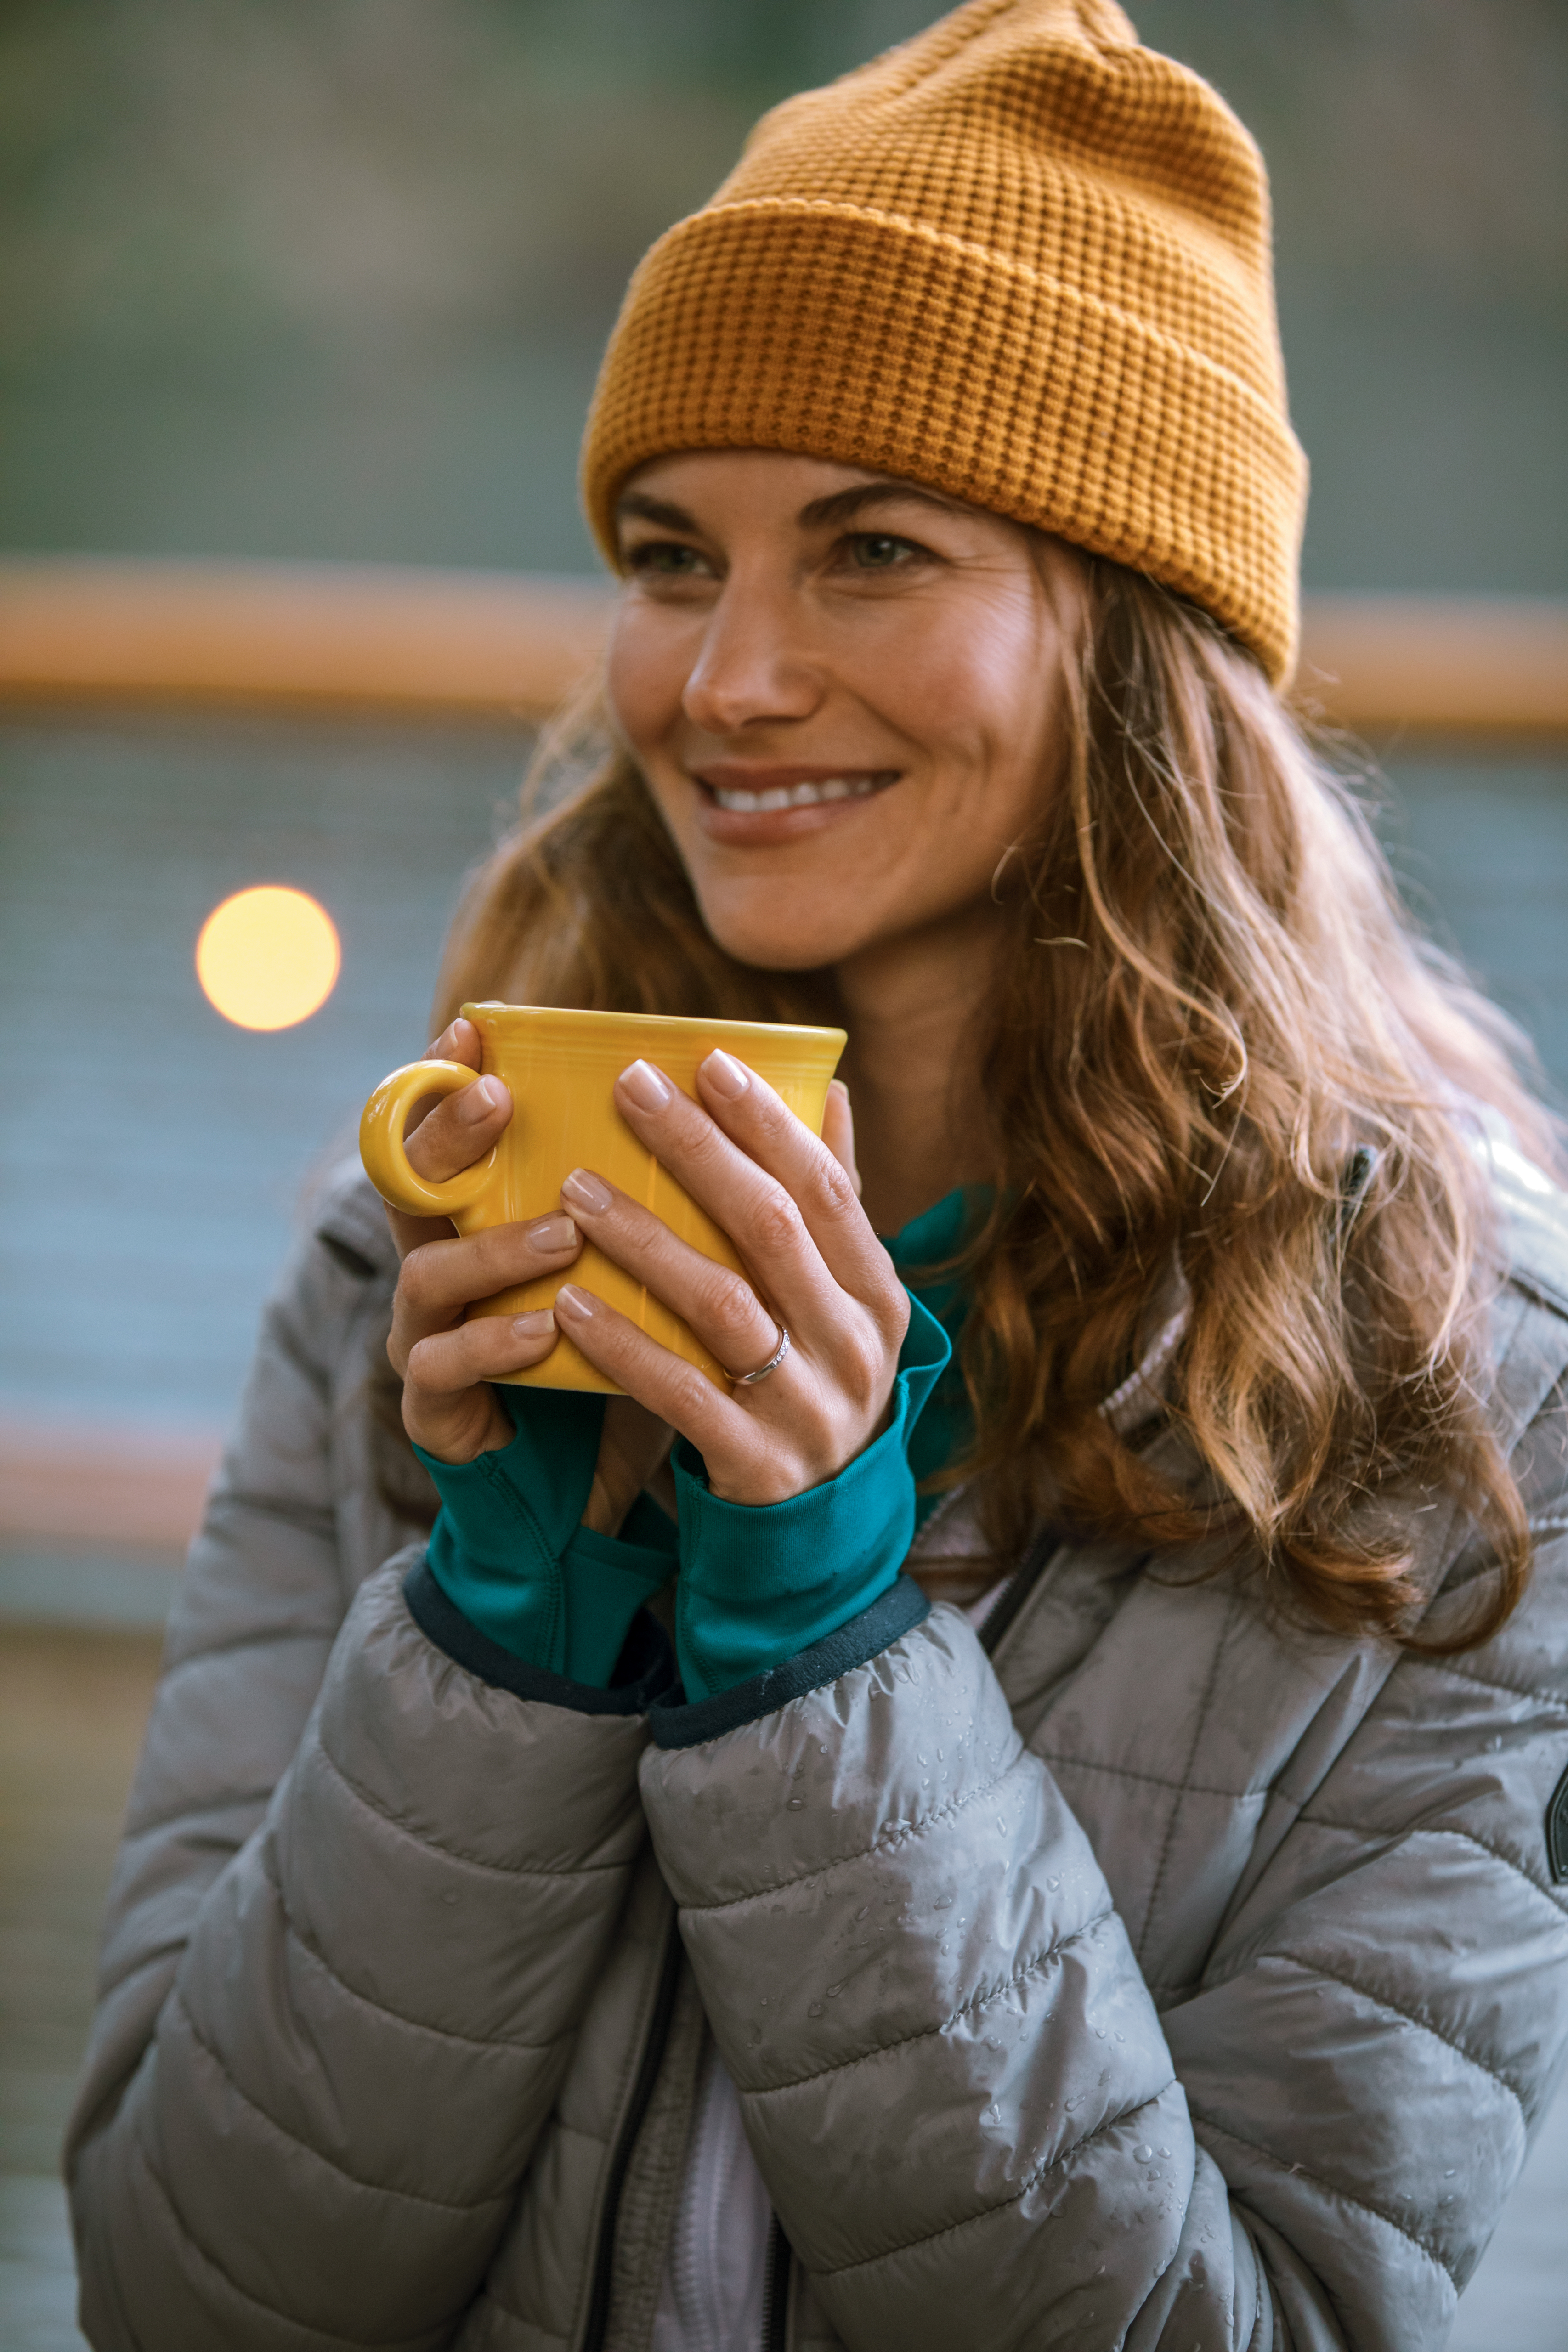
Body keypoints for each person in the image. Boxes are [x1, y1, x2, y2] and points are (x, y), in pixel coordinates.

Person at [67, 3, 1568, 2346]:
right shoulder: (407, 1260)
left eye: (871, 550)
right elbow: (187, 2285)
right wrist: (504, 1631)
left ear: (1131, 636)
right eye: (673, 558)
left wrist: (823, 1652)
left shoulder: (1470, 1402)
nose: (728, 675)